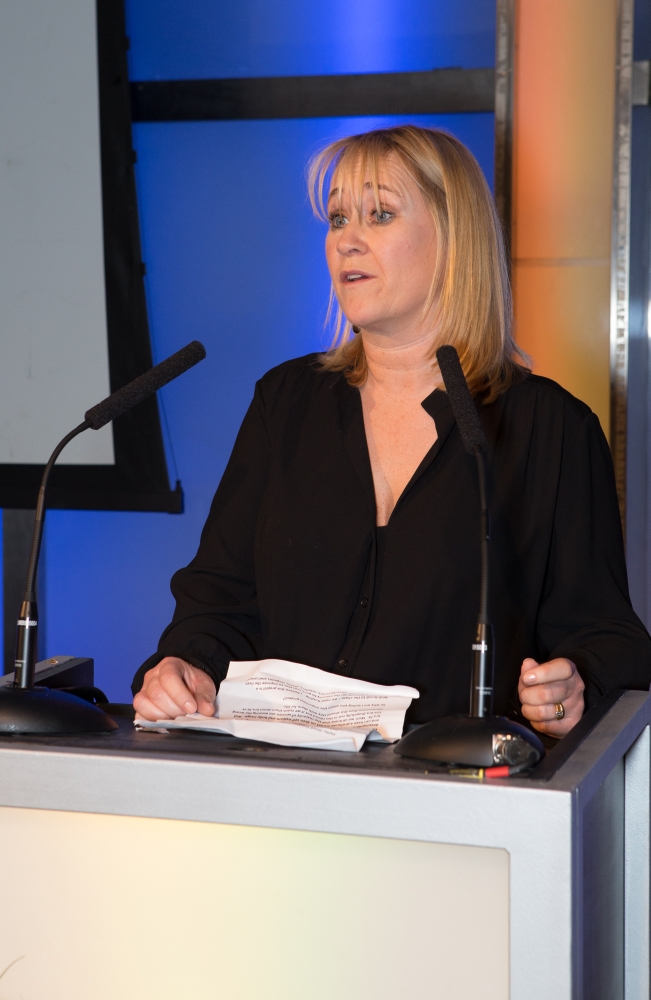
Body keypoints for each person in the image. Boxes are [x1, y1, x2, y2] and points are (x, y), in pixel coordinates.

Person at [132, 125, 651, 739]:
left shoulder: (551, 429)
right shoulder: (286, 402)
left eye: (379, 215)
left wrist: (573, 684)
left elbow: (608, 637)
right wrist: (185, 664)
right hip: (277, 773)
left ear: (454, 239)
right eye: (337, 219)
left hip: (457, 781)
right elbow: (219, 599)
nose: (347, 240)